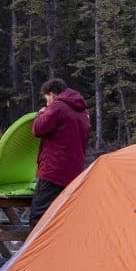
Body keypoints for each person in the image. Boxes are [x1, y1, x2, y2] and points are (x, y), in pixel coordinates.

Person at [29, 78, 90, 228]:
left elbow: (38, 129)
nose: (47, 103)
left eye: (47, 98)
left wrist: (41, 113)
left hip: (53, 171)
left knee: (39, 216)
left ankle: (35, 251)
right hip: (74, 174)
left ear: (53, 94)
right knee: (62, 217)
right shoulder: (82, 112)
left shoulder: (57, 107)